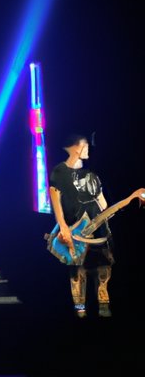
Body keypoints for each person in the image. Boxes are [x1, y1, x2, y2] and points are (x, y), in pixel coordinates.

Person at [49, 133, 145, 318]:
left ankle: (103, 307)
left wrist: (131, 198)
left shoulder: (93, 176)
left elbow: (105, 207)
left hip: (97, 233)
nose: (89, 149)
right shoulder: (60, 172)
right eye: (85, 146)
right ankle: (80, 310)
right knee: (77, 273)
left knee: (103, 271)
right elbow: (56, 199)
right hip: (74, 232)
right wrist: (63, 227)